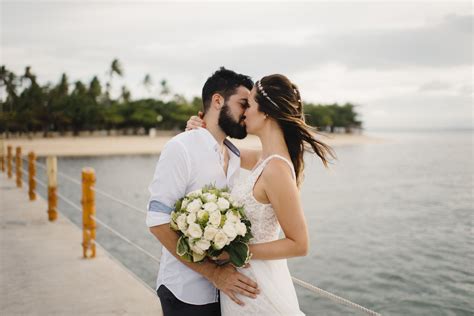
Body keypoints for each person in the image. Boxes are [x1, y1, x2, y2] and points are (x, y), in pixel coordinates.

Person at [186, 74, 336, 315]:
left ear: (266, 112)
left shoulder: (276, 169)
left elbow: (300, 244)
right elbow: (222, 149)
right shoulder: (262, 159)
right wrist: (201, 129)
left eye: (250, 104)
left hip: (260, 290)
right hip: (243, 286)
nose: (244, 112)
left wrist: (235, 253)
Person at [146, 67, 260, 316]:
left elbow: (276, 157)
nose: (247, 113)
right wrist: (214, 273)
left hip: (229, 295)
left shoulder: (233, 154)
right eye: (243, 104)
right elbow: (157, 222)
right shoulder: (181, 148)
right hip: (185, 293)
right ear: (218, 100)